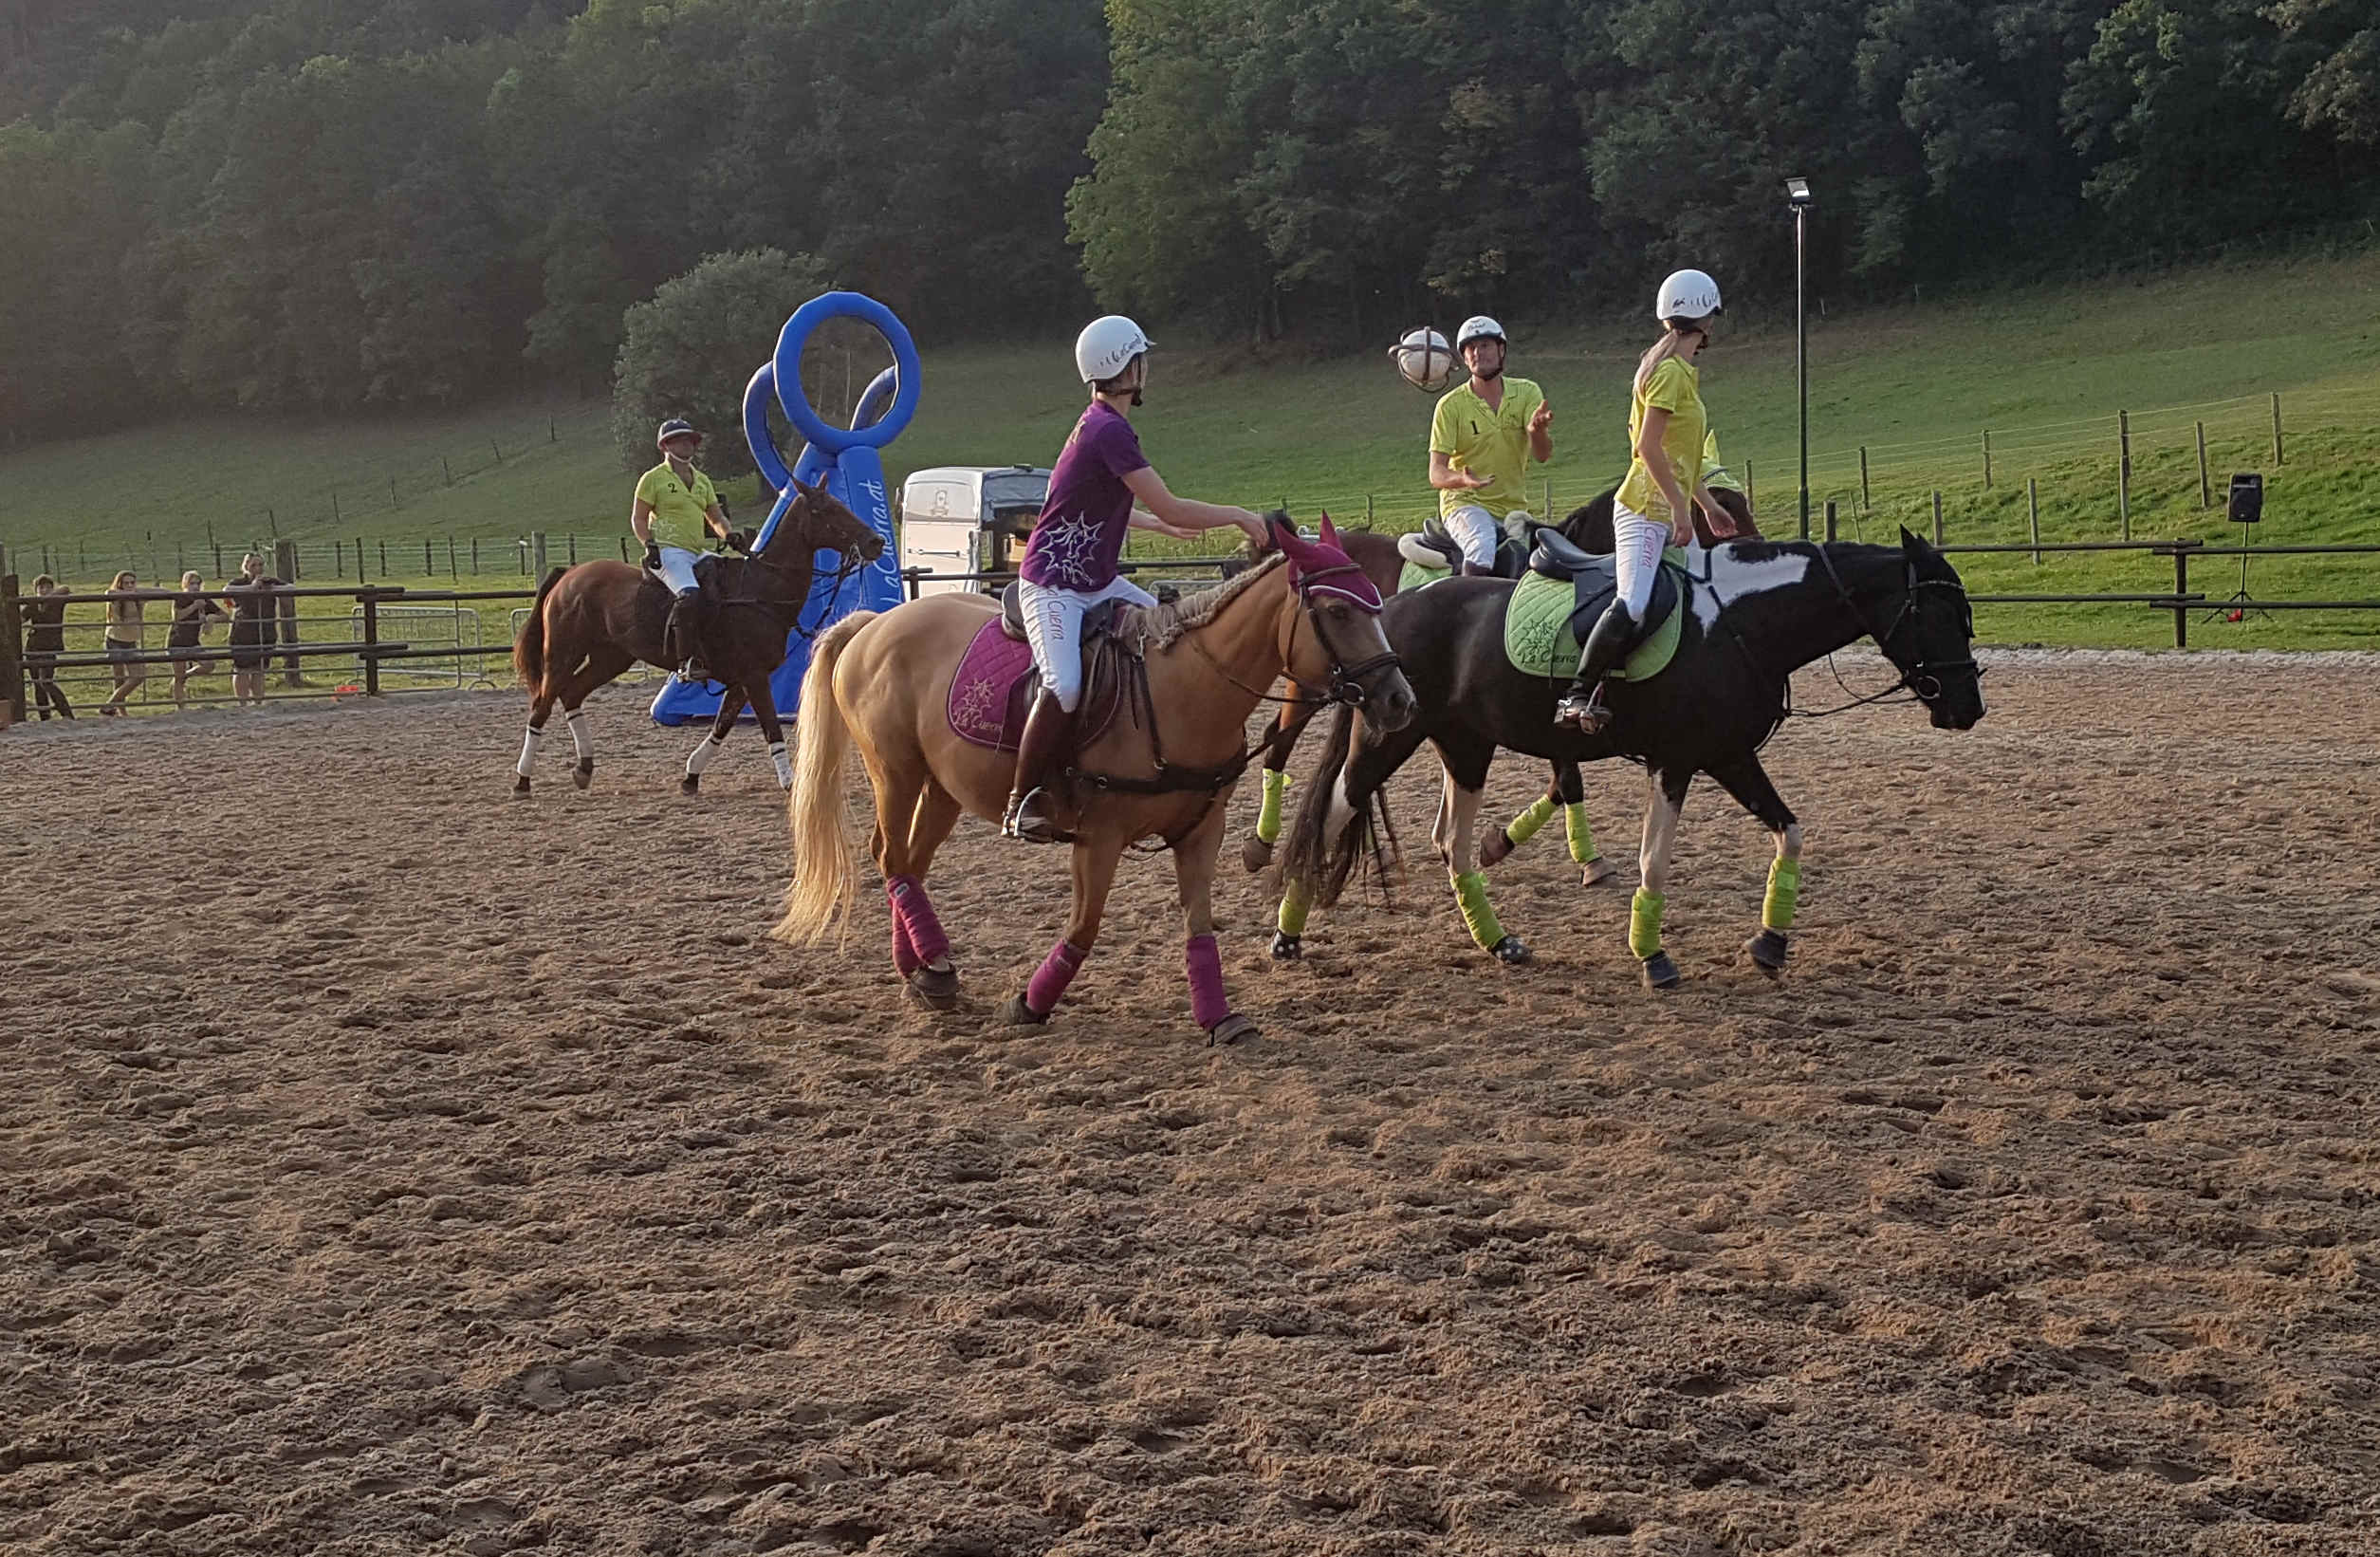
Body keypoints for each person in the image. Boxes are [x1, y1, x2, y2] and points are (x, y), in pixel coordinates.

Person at [1003, 315, 1267, 843]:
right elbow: (1169, 503)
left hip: (1098, 581)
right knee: (1063, 684)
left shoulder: (1101, 423)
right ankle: (1022, 800)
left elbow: (1091, 503)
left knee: (1172, 638)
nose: (1146, 368)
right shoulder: (1109, 429)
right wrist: (1237, 515)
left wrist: (1157, 526)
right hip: (1054, 584)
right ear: (1127, 368)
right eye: (1141, 359)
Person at [1555, 269, 1724, 732]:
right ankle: (1576, 695)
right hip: (1644, 511)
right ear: (1706, 316)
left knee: (1702, 594)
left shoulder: (1679, 371)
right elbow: (1648, 449)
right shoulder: (1669, 373)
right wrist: (1680, 510)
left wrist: (1708, 506)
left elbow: (1681, 458)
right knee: (1632, 603)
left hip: (1666, 507)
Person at [1426, 316, 1555, 575]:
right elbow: (1436, 473)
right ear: (1464, 358)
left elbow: (1542, 455)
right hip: (1464, 503)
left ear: (1501, 349)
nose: (1478, 353)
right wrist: (1462, 479)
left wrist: (1536, 432)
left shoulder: (1527, 392)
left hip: (1514, 509)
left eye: (1485, 345)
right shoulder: (1450, 406)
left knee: (1548, 560)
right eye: (1471, 348)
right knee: (1481, 547)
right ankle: (1467, 600)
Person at [630, 418, 741, 683]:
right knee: (689, 595)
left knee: (734, 579)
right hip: (669, 551)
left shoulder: (702, 481)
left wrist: (729, 535)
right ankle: (686, 662)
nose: (687, 444)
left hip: (697, 551)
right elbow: (638, 518)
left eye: (690, 439)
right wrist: (649, 544)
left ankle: (723, 647)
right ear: (665, 446)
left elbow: (716, 518)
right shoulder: (653, 479)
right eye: (680, 440)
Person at [167, 569, 231, 710]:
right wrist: (194, 606)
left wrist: (212, 618)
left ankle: (186, 675)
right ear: (185, 584)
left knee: (209, 664)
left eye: (198, 583)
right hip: (177, 640)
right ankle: (181, 708)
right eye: (191, 583)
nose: (195, 586)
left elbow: (225, 616)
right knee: (178, 674)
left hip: (193, 641)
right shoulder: (180, 598)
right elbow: (177, 617)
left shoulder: (204, 599)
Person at [224, 552, 281, 707]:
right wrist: (252, 587)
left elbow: (290, 587)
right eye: (253, 565)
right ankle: (242, 704)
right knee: (242, 668)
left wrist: (273, 588)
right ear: (246, 567)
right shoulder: (239, 582)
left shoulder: (269, 581)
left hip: (265, 630)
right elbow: (226, 590)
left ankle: (258, 702)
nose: (258, 568)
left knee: (259, 669)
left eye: (260, 565)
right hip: (243, 631)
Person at [22, 575, 72, 720]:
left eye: (48, 587)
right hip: (33, 646)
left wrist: (46, 598)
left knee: (46, 681)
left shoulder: (57, 602)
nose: (44, 590)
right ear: (36, 590)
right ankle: (45, 717)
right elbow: (19, 619)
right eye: (41, 587)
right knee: (37, 683)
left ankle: (67, 713)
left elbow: (65, 589)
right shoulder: (32, 605)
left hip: (49, 646)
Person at [100, 570, 146, 715]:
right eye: (126, 583)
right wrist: (128, 593)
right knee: (120, 678)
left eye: (132, 582)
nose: (130, 585)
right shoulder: (115, 597)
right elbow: (109, 593)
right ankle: (119, 711)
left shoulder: (138, 597)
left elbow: (162, 591)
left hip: (130, 641)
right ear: (119, 584)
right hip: (115, 640)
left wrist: (137, 591)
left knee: (138, 676)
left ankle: (109, 706)